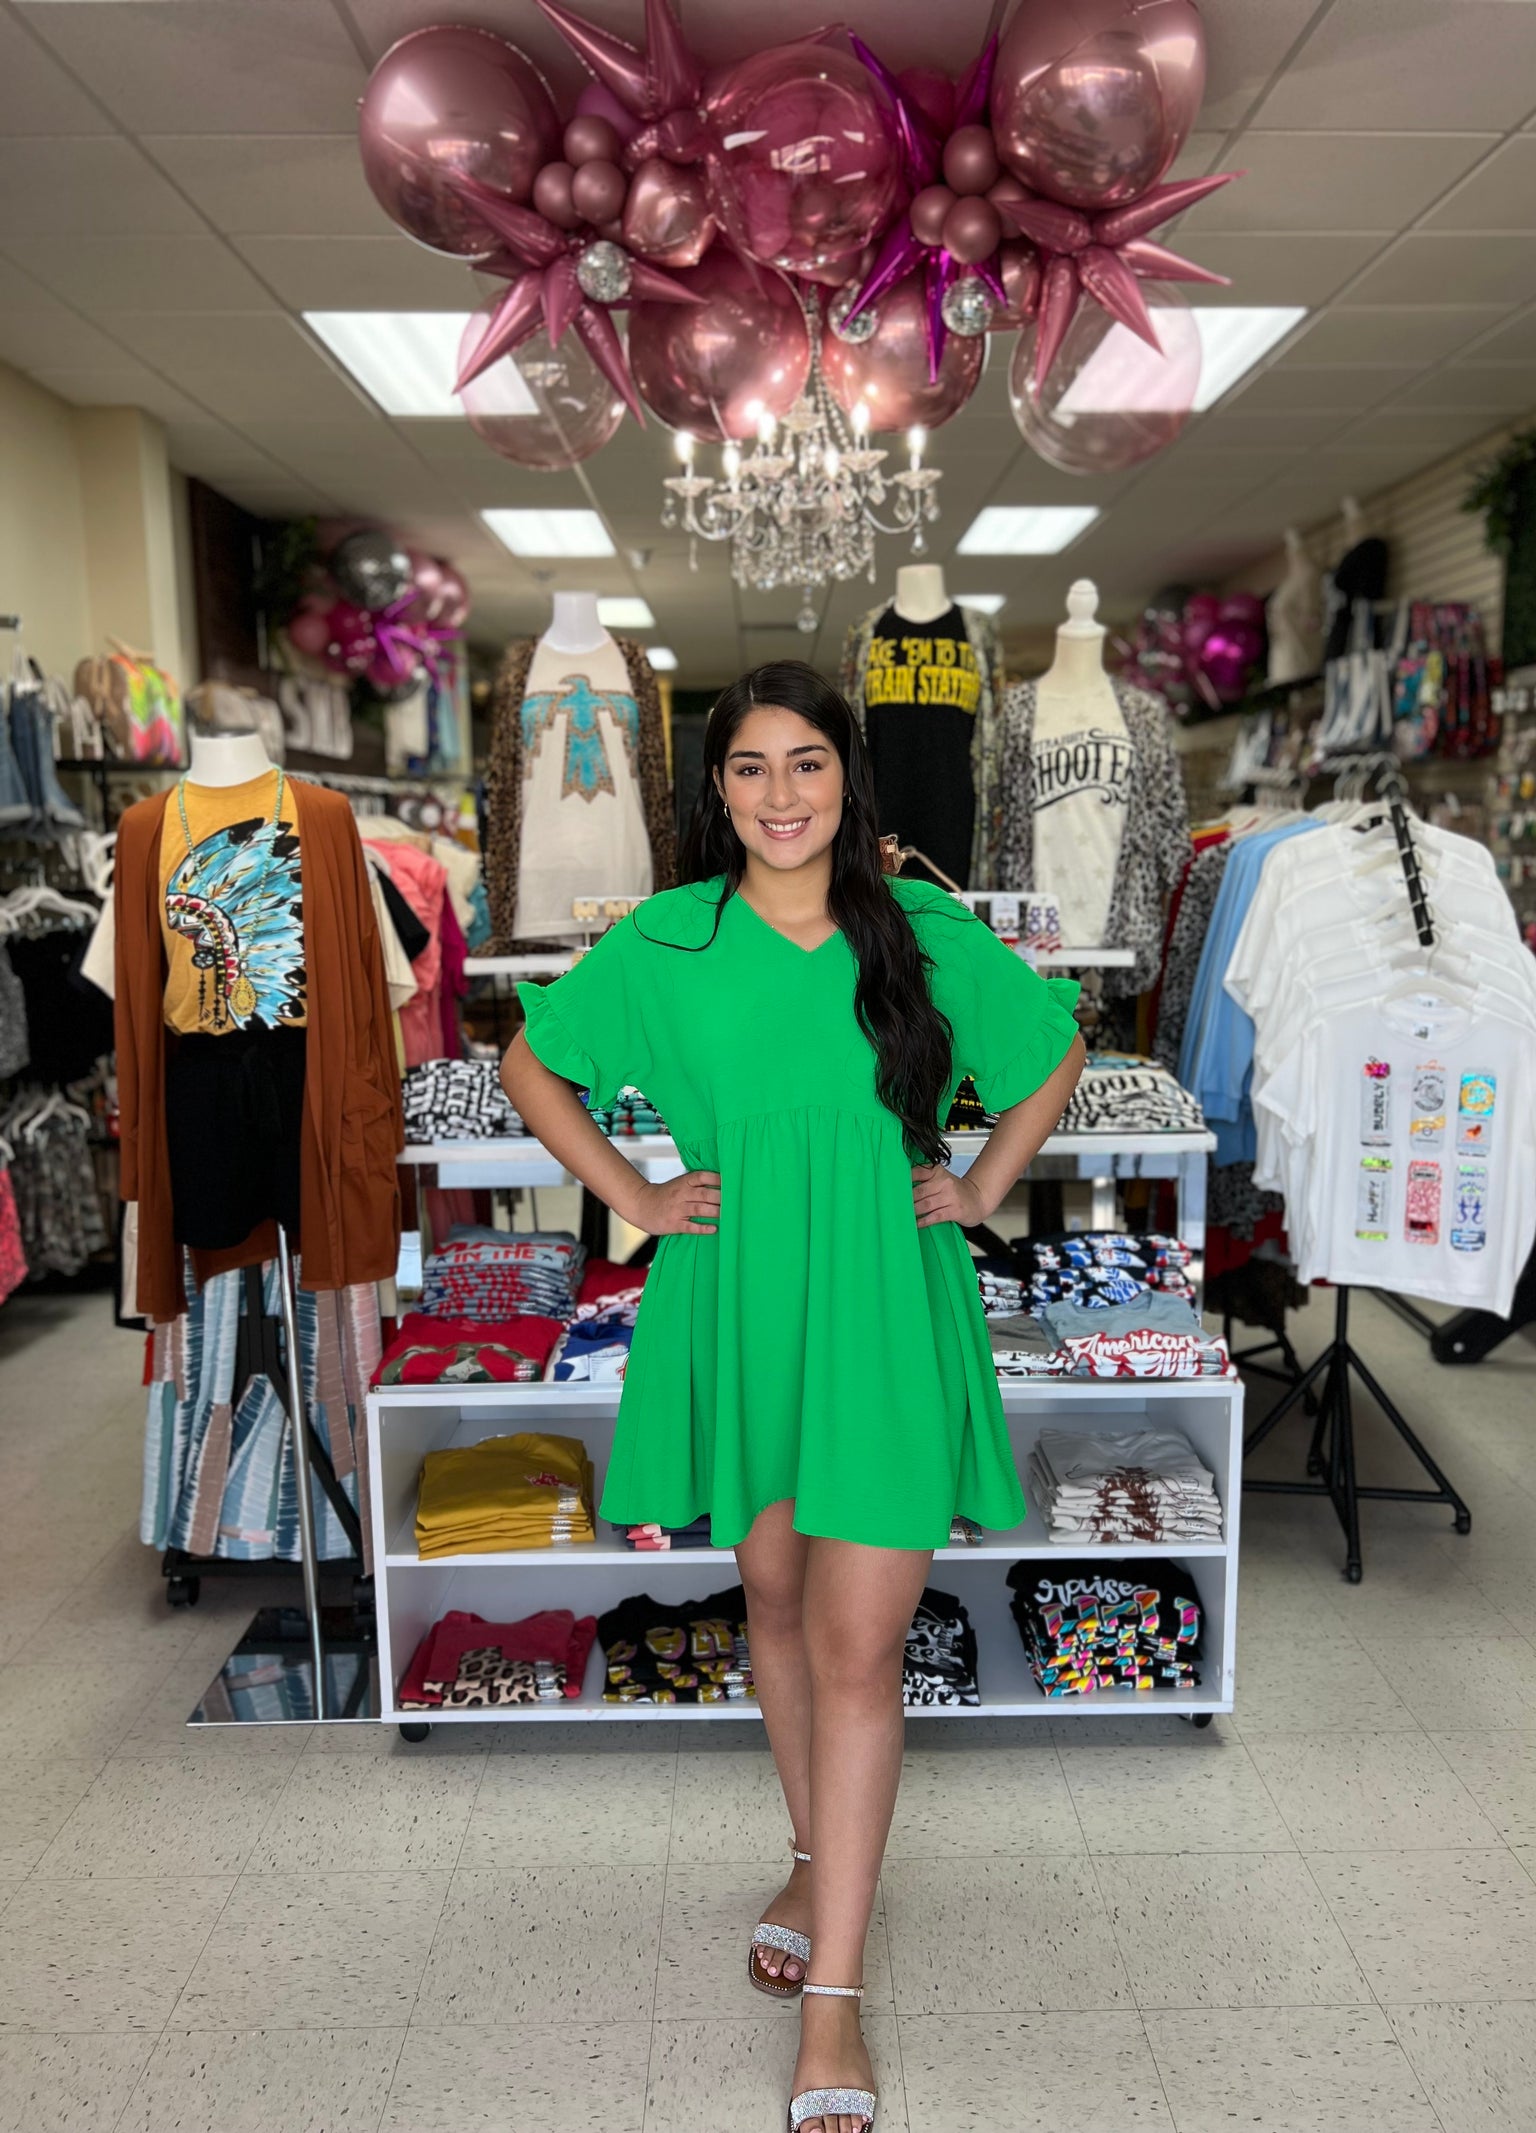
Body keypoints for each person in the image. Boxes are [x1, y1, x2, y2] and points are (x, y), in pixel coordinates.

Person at [500, 660, 1085, 2133]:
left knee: (857, 1642)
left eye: (808, 763)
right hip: (738, 1299)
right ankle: (817, 1854)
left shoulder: (922, 925)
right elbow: (530, 1064)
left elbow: (1052, 1049)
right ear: (715, 787)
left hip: (885, 1304)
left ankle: (834, 2002)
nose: (780, 795)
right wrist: (633, 1188)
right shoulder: (668, 937)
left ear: (847, 777)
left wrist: (981, 1182)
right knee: (768, 1596)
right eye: (751, 767)